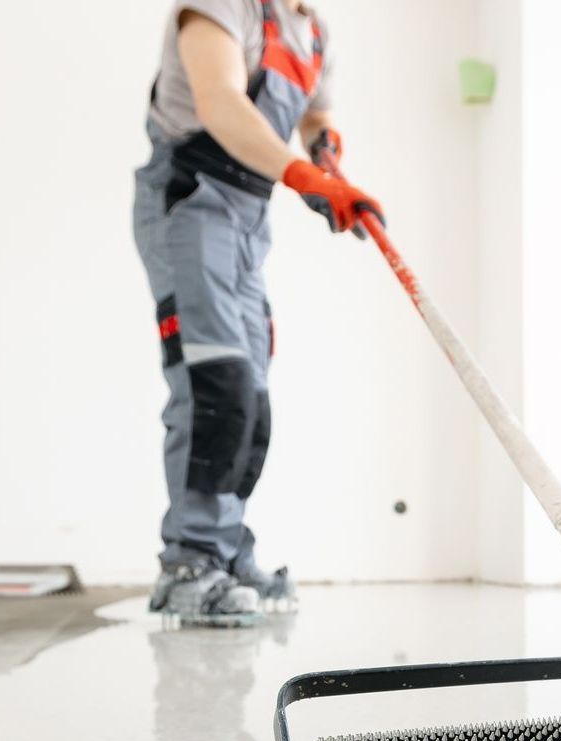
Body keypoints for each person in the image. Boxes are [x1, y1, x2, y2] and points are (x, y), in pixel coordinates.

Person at [132, 0, 382, 624]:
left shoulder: (313, 31)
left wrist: (324, 153)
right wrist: (305, 177)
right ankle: (190, 562)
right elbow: (220, 103)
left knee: (251, 398)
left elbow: (315, 112)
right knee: (215, 383)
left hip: (246, 221)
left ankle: (223, 548)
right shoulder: (225, 7)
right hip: (190, 202)